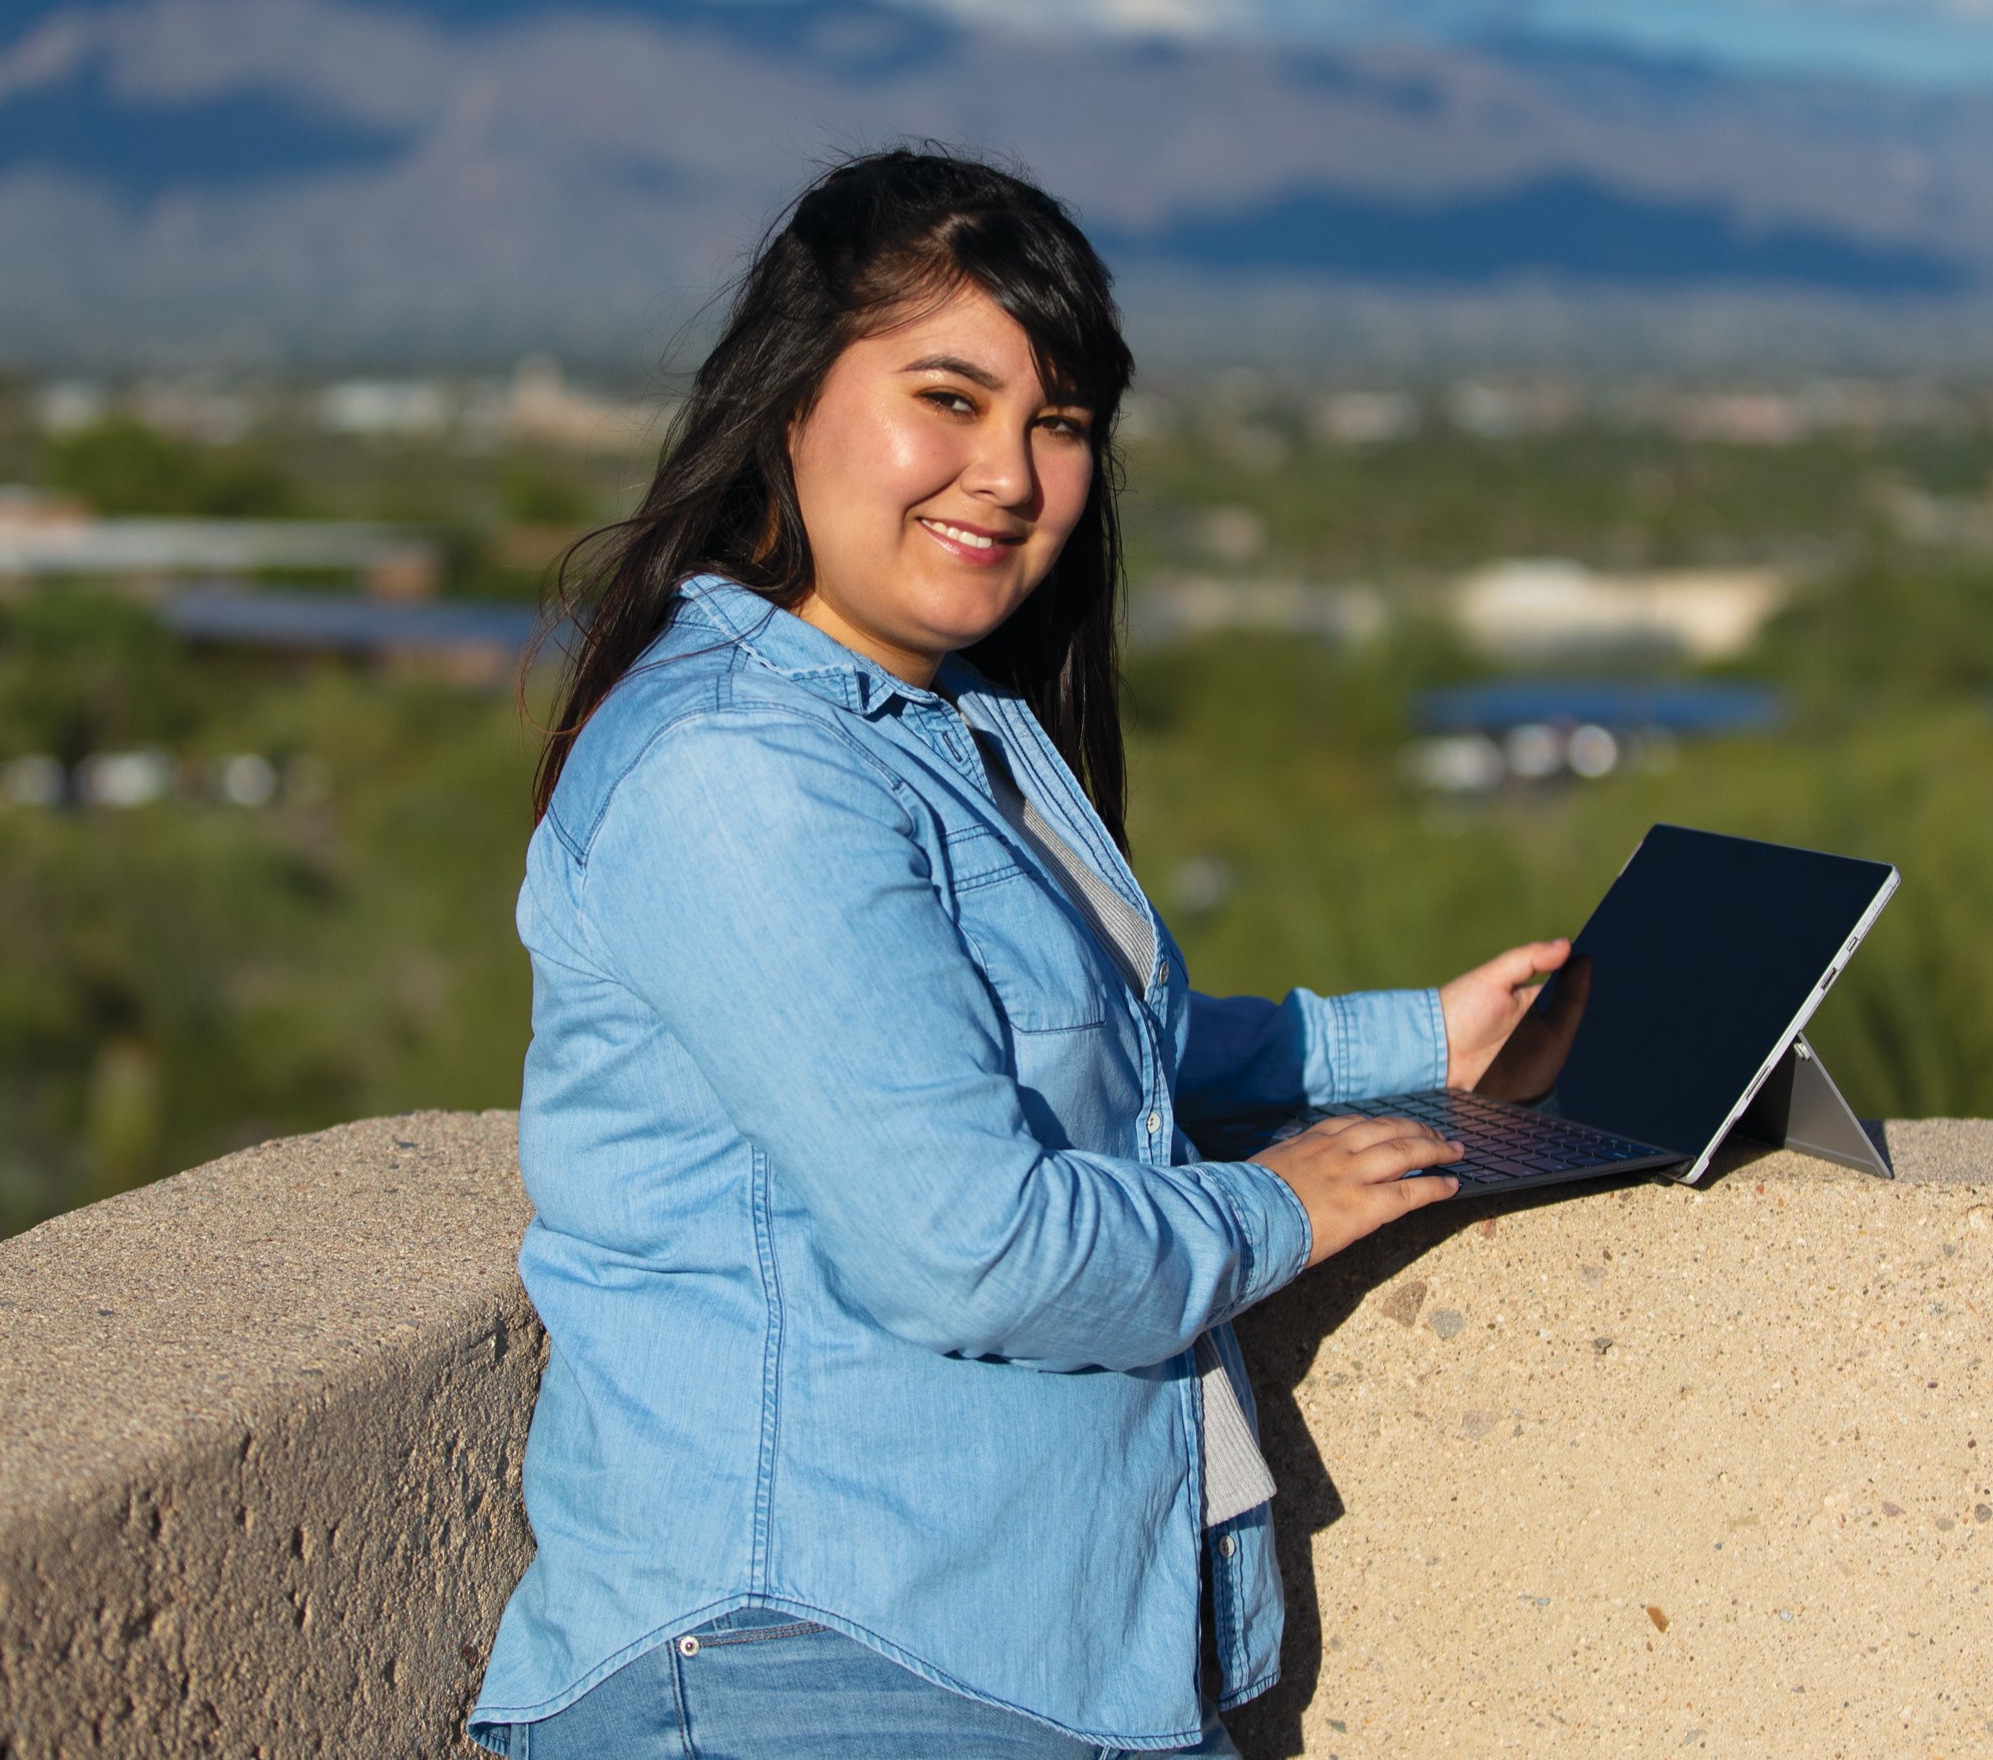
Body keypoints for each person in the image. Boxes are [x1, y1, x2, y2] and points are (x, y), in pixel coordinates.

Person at [468, 150, 1568, 1759]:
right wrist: (1282, 1202)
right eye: (949, 398)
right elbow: (972, 1240)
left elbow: (1076, 1046)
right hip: (814, 1667)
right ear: (789, 402)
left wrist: (1410, 1041)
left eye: (1057, 423)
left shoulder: (944, 721)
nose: (1009, 472)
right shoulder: (737, 767)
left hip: (997, 1658)